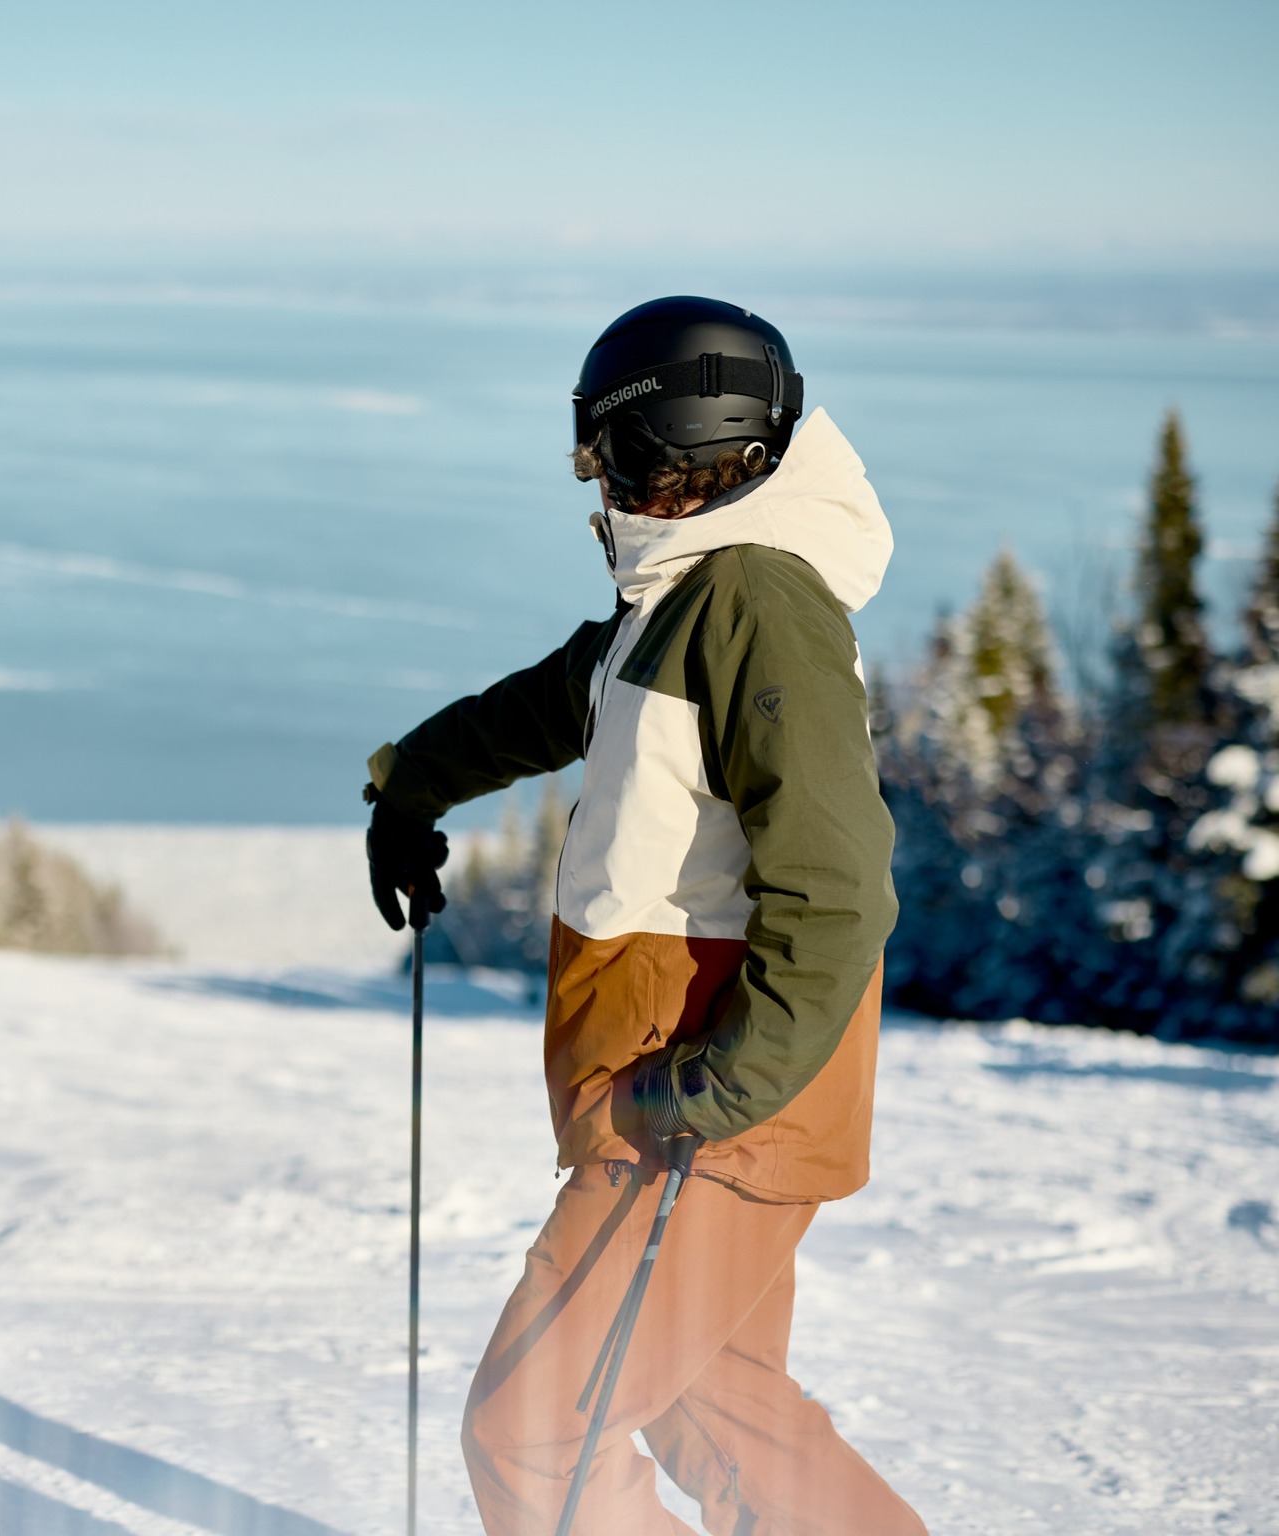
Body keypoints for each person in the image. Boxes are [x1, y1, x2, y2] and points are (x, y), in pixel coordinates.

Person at [362, 297, 925, 1535]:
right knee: (715, 1406)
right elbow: (548, 704)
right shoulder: (675, 600)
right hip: (682, 1099)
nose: (594, 480)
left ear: (679, 446)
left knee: (532, 1435)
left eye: (608, 451)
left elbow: (837, 888)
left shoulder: (752, 600)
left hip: (699, 1110)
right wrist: (409, 787)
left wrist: (713, 1093)